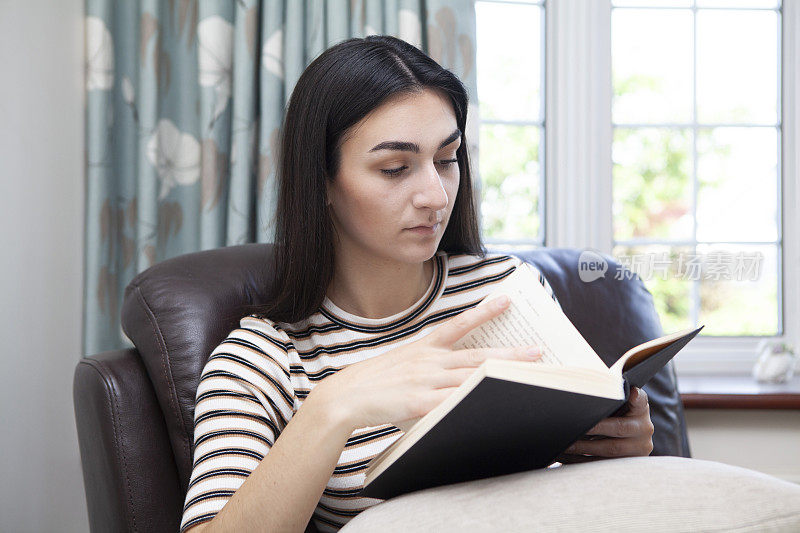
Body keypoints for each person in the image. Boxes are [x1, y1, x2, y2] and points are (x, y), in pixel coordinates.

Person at [180, 35, 654, 533]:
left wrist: (619, 449)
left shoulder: (508, 290)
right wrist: (333, 407)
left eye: (447, 159)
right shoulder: (263, 360)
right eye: (394, 168)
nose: (434, 194)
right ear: (320, 179)